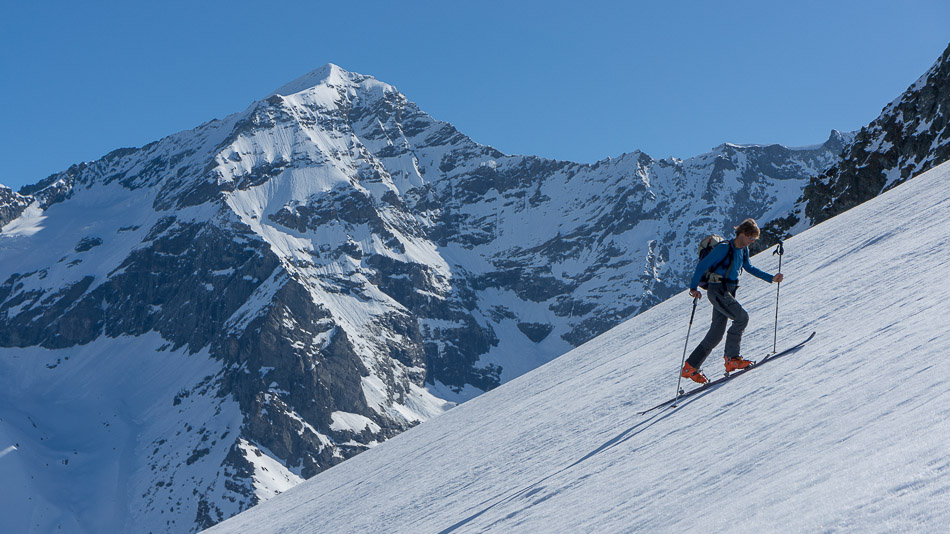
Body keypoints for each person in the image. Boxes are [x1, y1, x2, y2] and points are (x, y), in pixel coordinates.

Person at [681, 219, 784, 384]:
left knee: (716, 334)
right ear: (742, 233)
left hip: (727, 292)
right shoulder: (724, 248)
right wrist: (693, 288)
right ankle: (732, 358)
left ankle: (690, 367)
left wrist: (771, 278)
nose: (752, 241)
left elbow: (749, 268)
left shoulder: (743, 251)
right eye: (750, 237)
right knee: (741, 317)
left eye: (754, 239)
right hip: (718, 290)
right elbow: (702, 266)